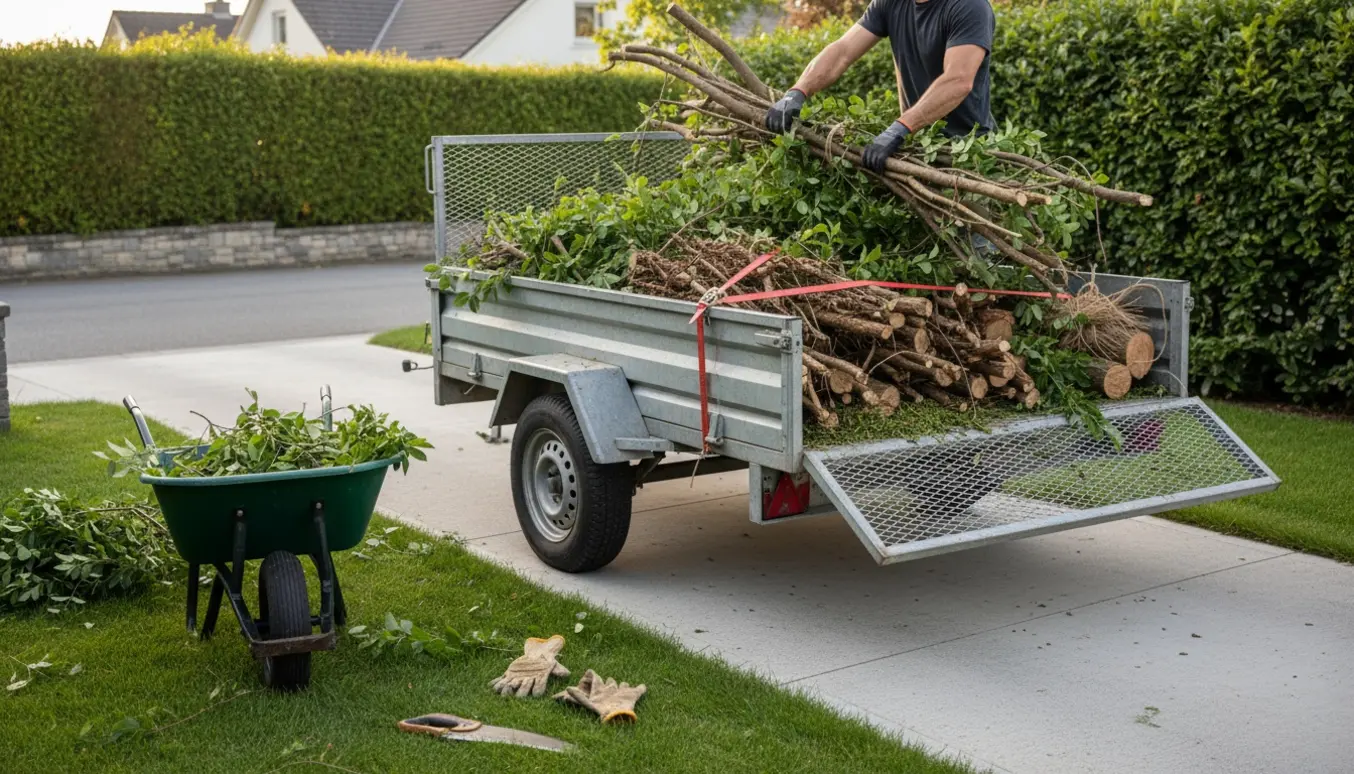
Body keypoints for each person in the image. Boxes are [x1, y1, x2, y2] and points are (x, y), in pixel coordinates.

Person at [764, 0, 996, 174]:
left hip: (967, 153)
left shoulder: (969, 6)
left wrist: (900, 128)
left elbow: (958, 80)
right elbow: (843, 51)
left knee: (974, 236)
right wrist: (797, 92)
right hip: (915, 147)